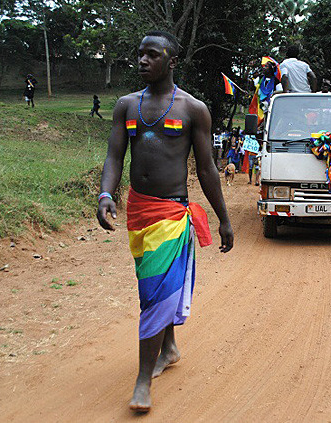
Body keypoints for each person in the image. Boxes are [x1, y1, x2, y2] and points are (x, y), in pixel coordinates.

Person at [96, 30, 234, 413]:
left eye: (152, 55)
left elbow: (206, 168)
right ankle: (169, 347)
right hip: (137, 213)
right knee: (151, 289)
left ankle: (142, 382)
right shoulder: (126, 105)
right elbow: (114, 157)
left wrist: (224, 218)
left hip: (172, 215)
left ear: (171, 61)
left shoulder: (193, 109)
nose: (142, 60)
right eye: (139, 54)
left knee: (156, 295)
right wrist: (106, 194)